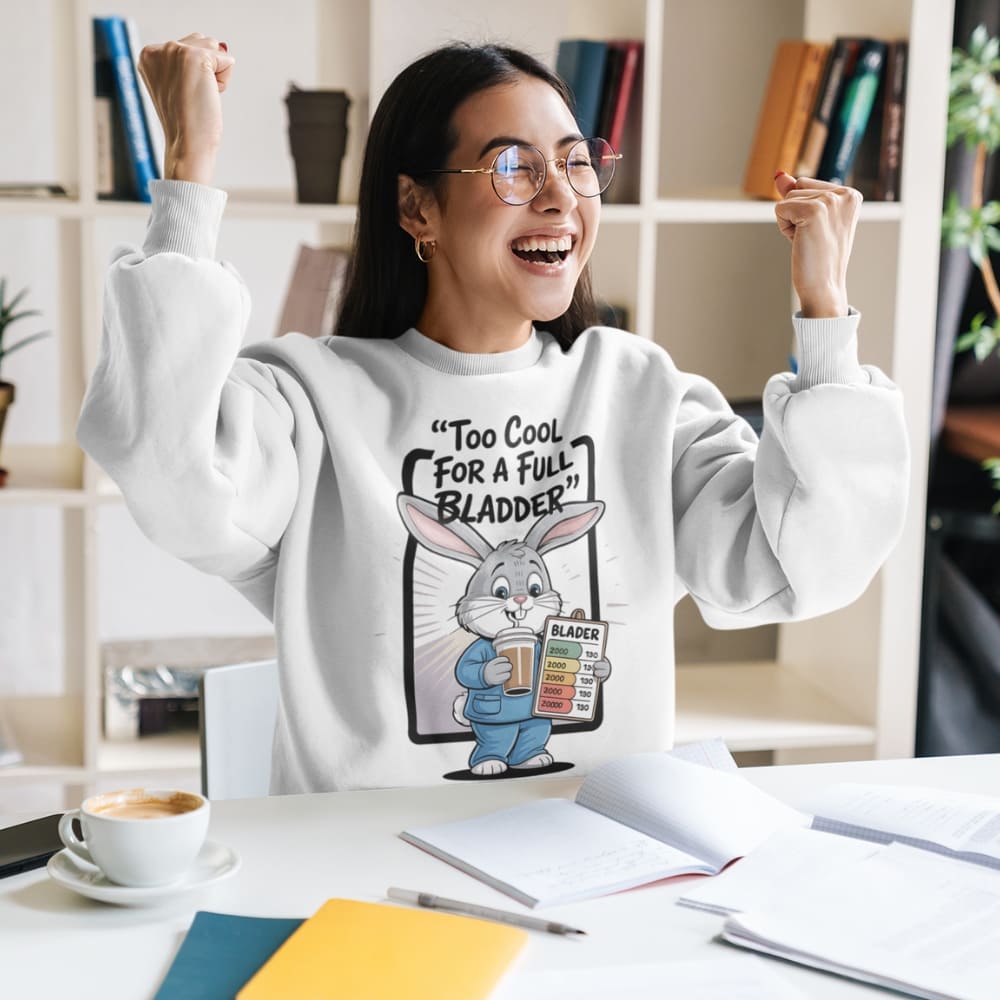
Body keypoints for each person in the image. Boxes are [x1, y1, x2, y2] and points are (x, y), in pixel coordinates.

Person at [77, 35, 908, 793]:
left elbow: (806, 564)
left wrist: (826, 314)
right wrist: (191, 166)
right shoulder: (313, 399)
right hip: (368, 885)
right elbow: (166, 464)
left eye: (576, 163)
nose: (557, 197)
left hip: (594, 875)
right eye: (512, 167)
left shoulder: (638, 393)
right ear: (416, 208)